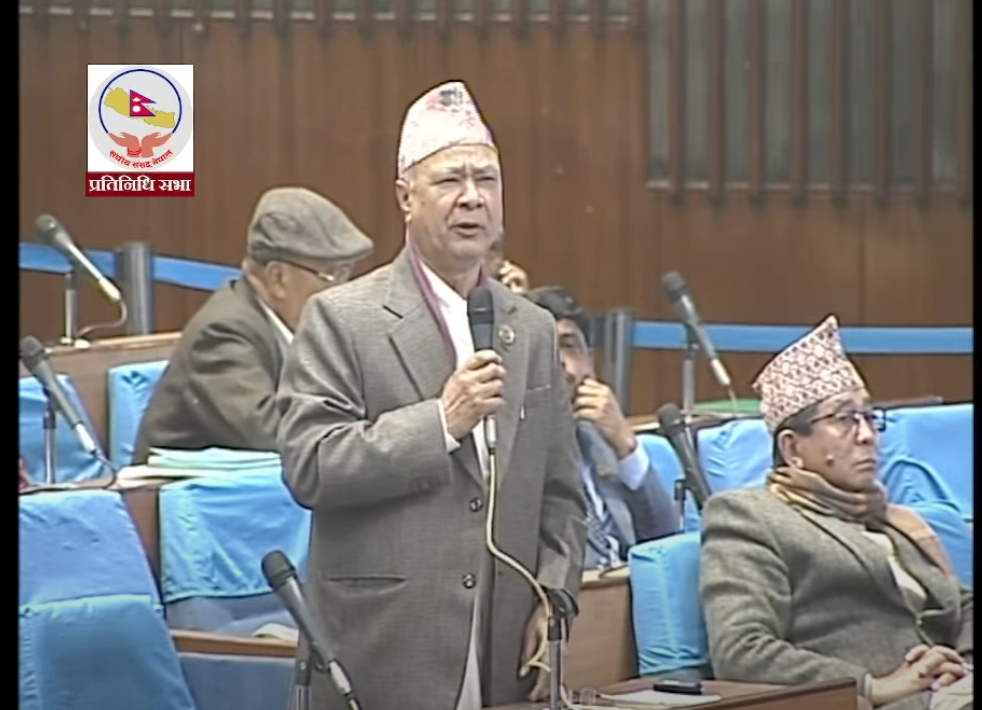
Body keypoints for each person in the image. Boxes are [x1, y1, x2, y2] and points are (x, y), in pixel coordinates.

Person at [276, 81, 586, 710]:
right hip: (387, 645)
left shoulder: (529, 327)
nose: (472, 197)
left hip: (505, 648)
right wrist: (441, 422)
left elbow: (561, 493)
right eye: (450, 180)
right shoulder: (343, 317)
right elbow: (311, 464)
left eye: (487, 180)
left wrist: (554, 601)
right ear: (406, 197)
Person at [700, 316, 973, 710]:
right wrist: (872, 686)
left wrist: (961, 667)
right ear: (793, 449)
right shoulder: (749, 516)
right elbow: (741, 650)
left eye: (869, 417)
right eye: (844, 419)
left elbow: (964, 606)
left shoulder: (889, 518)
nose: (866, 435)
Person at [132, 187, 373, 463]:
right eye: (332, 274)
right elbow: (268, 433)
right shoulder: (223, 332)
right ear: (278, 278)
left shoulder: (292, 322)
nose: (344, 288)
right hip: (187, 488)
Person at [526, 286, 678, 570]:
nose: (560, 362)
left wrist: (626, 445)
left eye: (570, 346)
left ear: (590, 362)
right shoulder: (511, 454)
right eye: (544, 349)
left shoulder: (600, 437)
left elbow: (665, 539)